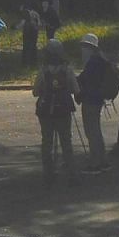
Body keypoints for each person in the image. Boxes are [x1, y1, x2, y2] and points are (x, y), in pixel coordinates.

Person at [32, 40, 80, 187]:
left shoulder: (43, 70)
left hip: (46, 110)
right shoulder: (67, 69)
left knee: (46, 141)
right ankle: (72, 174)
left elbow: (35, 92)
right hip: (63, 109)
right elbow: (76, 90)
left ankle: (49, 174)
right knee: (66, 141)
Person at [75, 33, 113, 172]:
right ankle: (102, 160)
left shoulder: (93, 63)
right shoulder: (99, 60)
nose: (82, 49)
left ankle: (95, 162)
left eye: (84, 46)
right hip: (97, 99)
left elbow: (87, 81)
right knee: (95, 130)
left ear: (90, 47)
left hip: (91, 100)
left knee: (92, 132)